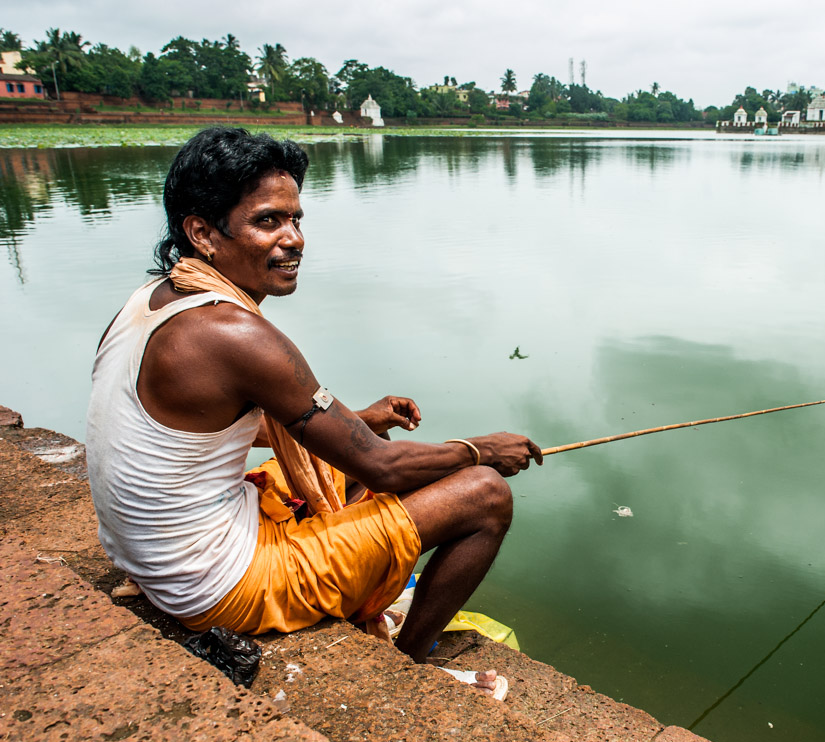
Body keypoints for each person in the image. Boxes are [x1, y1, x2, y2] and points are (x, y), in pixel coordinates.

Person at [86, 127, 541, 699]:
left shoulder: (153, 301)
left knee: (333, 468)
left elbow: (189, 437)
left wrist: (363, 421)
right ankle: (409, 666)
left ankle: (362, 580)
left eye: (296, 220)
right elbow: (385, 470)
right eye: (267, 221)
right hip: (214, 586)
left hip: (150, 559)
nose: (294, 239)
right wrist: (480, 452)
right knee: (482, 495)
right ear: (202, 232)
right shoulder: (236, 333)